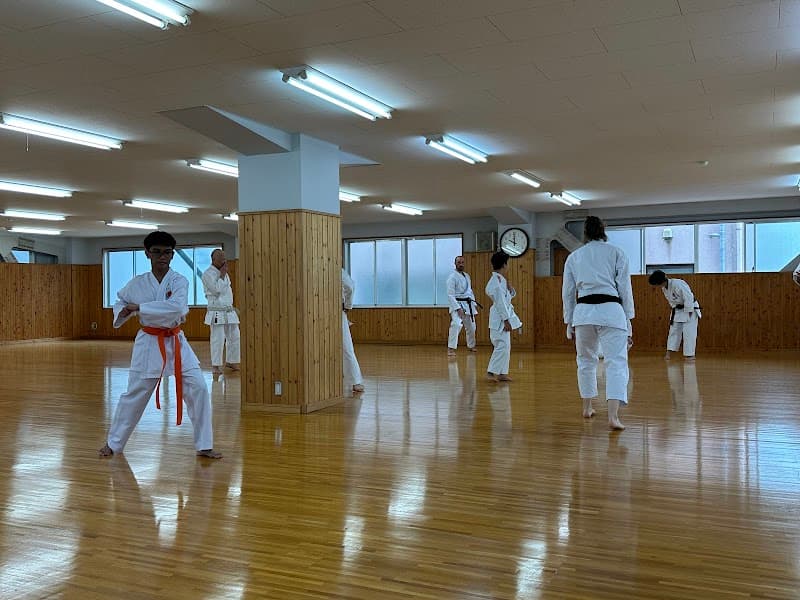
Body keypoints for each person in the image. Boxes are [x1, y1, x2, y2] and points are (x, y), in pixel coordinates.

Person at [99, 231, 222, 459]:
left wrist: (140, 308)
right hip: (149, 343)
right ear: (147, 253)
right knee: (135, 394)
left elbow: (176, 308)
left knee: (199, 388)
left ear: (172, 255)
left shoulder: (179, 281)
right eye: (157, 252)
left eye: (167, 252)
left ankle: (204, 444)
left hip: (176, 341)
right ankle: (113, 444)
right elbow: (121, 300)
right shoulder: (137, 284)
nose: (162, 257)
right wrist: (124, 310)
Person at [562, 216, 634, 431]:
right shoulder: (616, 252)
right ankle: (613, 416)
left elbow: (567, 293)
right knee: (616, 362)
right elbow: (625, 289)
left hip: (583, 313)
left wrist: (569, 320)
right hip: (612, 311)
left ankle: (587, 407)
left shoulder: (574, 257)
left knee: (585, 360)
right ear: (603, 230)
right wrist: (628, 319)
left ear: (585, 232)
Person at [201, 249, 240, 375]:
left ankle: (231, 360)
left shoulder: (224, 273)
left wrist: (223, 274)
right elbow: (217, 290)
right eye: (221, 258)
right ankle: (216, 365)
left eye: (224, 257)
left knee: (235, 337)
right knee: (218, 339)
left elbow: (226, 291)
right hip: (216, 311)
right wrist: (222, 275)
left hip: (229, 310)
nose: (224, 260)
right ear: (214, 260)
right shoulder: (207, 274)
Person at [648, 270, 701, 361]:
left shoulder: (678, 284)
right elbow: (671, 301)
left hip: (690, 308)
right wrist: (675, 308)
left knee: (689, 332)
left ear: (661, 281)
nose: (658, 286)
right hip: (678, 309)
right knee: (674, 331)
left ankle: (690, 355)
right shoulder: (664, 288)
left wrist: (689, 310)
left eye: (657, 284)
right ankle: (669, 353)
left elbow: (688, 296)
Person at [485, 251, 522, 382]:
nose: (508, 266)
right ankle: (490, 372)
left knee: (506, 346)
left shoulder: (501, 280)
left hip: (503, 316)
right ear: (504, 264)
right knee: (501, 345)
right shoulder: (495, 282)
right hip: (499, 318)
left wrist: (511, 290)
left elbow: (506, 298)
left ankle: (502, 373)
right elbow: (500, 303)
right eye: (507, 263)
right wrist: (506, 320)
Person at [446, 256, 479, 356]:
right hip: (457, 303)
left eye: (462, 262)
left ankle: (471, 345)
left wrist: (474, 303)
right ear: (455, 263)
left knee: (471, 326)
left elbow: (470, 291)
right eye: (459, 262)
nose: (461, 264)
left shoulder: (467, 276)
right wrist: (458, 308)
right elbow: (450, 295)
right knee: (456, 324)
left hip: (468, 303)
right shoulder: (452, 277)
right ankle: (451, 348)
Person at [342, 268, 364, 394]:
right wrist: (348, 306)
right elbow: (350, 286)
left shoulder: (335, 269)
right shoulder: (337, 270)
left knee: (346, 347)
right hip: (337, 309)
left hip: (333, 309)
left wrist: (347, 306)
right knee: (346, 347)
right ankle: (356, 381)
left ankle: (356, 380)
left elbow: (350, 287)